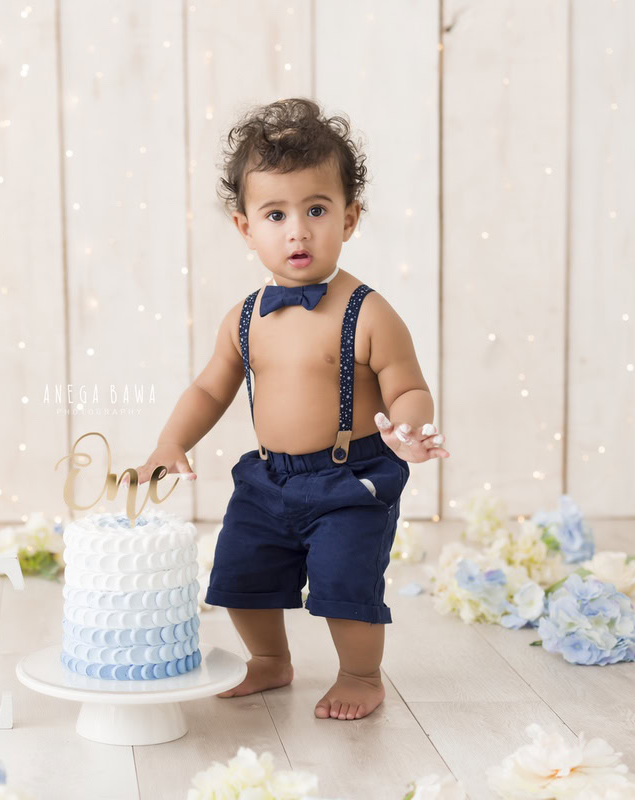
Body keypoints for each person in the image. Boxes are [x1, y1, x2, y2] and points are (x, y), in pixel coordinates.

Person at [133, 98, 449, 721]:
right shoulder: (245, 317)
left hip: (350, 477)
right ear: (245, 227)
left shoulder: (369, 313)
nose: (297, 231)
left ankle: (360, 674)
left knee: (344, 583)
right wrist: (171, 442)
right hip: (269, 479)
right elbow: (209, 390)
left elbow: (407, 384)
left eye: (316, 210)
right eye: (275, 214)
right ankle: (270, 659)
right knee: (239, 573)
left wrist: (409, 428)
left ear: (349, 218)